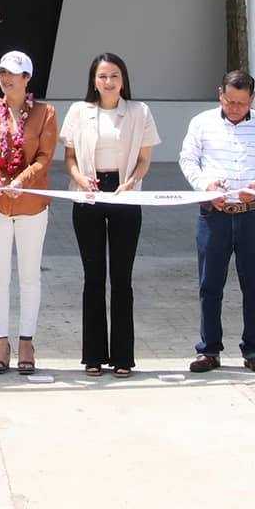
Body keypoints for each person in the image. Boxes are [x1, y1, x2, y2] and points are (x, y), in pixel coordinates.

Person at [179, 70, 255, 374]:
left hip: (252, 214)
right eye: (229, 101)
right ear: (220, 94)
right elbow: (188, 159)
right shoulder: (202, 123)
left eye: (241, 102)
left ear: (252, 98)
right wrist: (206, 187)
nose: (235, 107)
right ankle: (208, 350)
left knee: (254, 284)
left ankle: (254, 350)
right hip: (214, 215)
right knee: (209, 284)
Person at [61, 53, 159, 378]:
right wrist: (79, 179)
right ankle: (92, 356)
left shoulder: (139, 111)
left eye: (114, 75)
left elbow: (145, 158)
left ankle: (122, 357)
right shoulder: (79, 111)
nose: (108, 82)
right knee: (93, 278)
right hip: (88, 194)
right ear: (93, 80)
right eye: (102, 76)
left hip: (125, 194)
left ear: (123, 79)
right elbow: (70, 158)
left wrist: (133, 181)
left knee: (121, 278)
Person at [0, 50, 58, 376]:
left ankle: (26, 341)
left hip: (31, 204)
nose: (6, 78)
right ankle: (0, 341)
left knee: (29, 274)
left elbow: (45, 157)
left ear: (27, 78)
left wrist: (22, 181)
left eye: (13, 73)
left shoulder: (46, 114)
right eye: (2, 73)